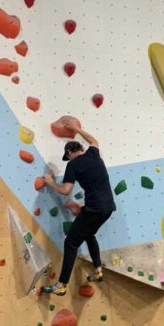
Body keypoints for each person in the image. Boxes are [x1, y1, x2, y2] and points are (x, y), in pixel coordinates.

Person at [42, 119, 116, 296]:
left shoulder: (73, 164)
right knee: (89, 234)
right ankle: (98, 269)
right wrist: (76, 129)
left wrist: (51, 183)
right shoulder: (93, 154)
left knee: (71, 243)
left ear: (69, 153)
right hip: (107, 207)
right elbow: (94, 141)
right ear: (81, 150)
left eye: (67, 156)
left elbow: (66, 189)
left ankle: (62, 285)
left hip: (95, 208)